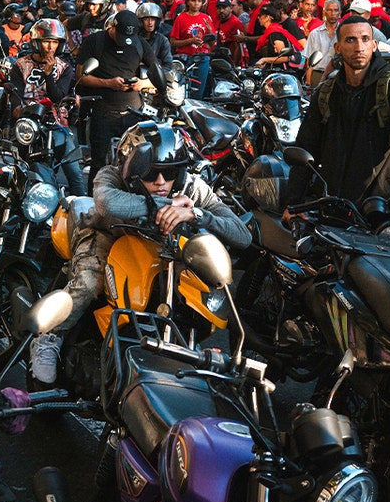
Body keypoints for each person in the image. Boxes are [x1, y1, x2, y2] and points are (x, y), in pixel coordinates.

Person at [31, 121, 250, 385]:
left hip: (159, 249)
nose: (161, 182)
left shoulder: (191, 188)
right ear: (131, 171)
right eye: (150, 174)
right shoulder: (110, 175)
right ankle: (50, 336)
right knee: (89, 284)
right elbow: (107, 203)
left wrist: (196, 214)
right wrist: (169, 206)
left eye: (168, 174)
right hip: (107, 235)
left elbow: (243, 234)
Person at [288, 16, 390, 204]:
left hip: (377, 208)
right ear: (338, 48)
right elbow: (305, 149)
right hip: (330, 206)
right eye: (350, 40)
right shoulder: (326, 92)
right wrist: (293, 202)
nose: (359, 47)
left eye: (365, 39)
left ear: (374, 45)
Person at [74, 10, 165, 188]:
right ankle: (94, 202)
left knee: (136, 164)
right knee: (99, 163)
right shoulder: (95, 41)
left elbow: (158, 75)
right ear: (113, 27)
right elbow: (80, 77)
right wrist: (108, 83)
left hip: (133, 112)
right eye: (121, 36)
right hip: (104, 111)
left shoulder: (139, 43)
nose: (124, 41)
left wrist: (143, 83)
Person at [8, 19, 86, 196]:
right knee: (17, 168)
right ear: (36, 42)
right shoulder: (20, 65)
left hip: (57, 123)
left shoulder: (64, 68)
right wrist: (18, 110)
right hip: (28, 123)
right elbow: (15, 97)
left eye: (55, 42)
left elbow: (59, 97)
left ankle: (81, 212)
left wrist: (49, 75)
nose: (50, 47)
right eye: (46, 41)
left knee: (74, 172)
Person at [169, 0, 215, 99]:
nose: (196, 3)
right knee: (182, 91)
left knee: (198, 92)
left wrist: (210, 33)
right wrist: (190, 41)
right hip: (184, 59)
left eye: (199, 1)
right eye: (193, 1)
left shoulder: (206, 18)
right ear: (188, 2)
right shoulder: (181, 18)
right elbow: (173, 42)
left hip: (202, 58)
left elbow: (212, 43)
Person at [303, 0, 342, 85]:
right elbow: (310, 59)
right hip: (317, 74)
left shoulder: (344, 33)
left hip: (337, 74)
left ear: (339, 13)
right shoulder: (315, 33)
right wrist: (308, 80)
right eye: (329, 10)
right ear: (324, 12)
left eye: (336, 10)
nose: (333, 13)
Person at [137, 2, 174, 70]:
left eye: (153, 19)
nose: (150, 22)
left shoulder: (163, 40)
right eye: (146, 19)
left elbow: (168, 65)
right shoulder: (135, 39)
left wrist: (157, 73)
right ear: (141, 21)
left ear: (157, 22)